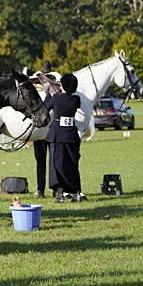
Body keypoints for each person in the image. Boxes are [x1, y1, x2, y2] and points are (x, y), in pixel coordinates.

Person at [44, 73, 83, 203]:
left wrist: (48, 95)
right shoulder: (76, 99)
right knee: (72, 163)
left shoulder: (55, 98)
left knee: (56, 165)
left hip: (57, 136)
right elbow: (68, 99)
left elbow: (46, 107)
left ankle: (60, 193)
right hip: (71, 136)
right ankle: (76, 192)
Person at [33, 61, 54, 197]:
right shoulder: (37, 87)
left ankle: (43, 189)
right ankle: (45, 189)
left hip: (45, 128)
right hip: (45, 128)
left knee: (44, 160)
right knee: (46, 160)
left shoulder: (52, 88)